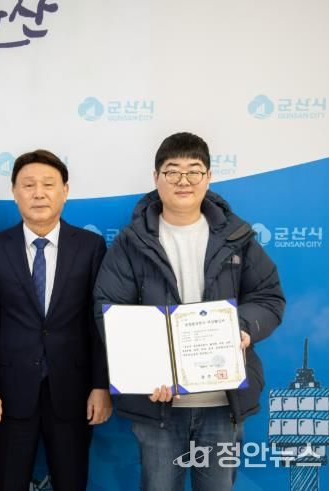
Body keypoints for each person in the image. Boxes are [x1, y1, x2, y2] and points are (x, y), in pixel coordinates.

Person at [94, 132, 285, 490]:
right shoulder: (131, 243)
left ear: (208, 177)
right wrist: (147, 372)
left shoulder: (237, 237)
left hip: (223, 401)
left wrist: (243, 327)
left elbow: (269, 297)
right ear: (156, 178)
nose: (183, 180)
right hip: (158, 404)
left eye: (194, 171)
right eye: (172, 171)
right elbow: (109, 312)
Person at [0, 149, 112, 491]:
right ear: (14, 192)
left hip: (74, 391)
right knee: (9, 482)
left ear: (65, 191)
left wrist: (101, 385)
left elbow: (99, 323)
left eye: (48, 184)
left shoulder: (90, 246)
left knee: (71, 482)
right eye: (28, 184)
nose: (39, 193)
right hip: (9, 391)